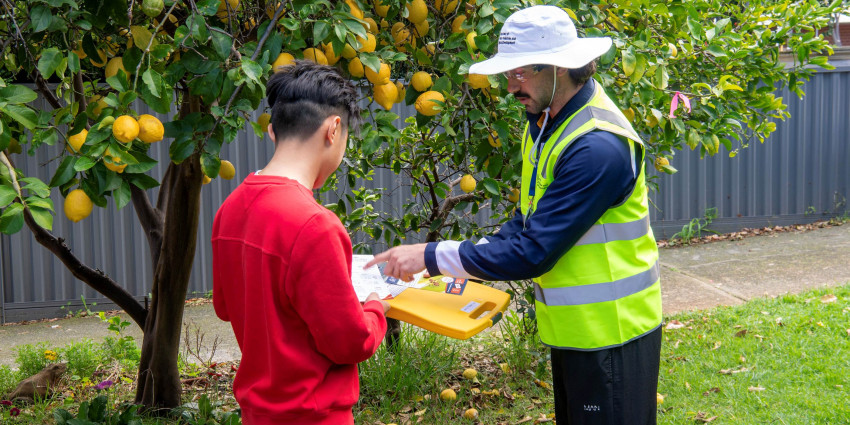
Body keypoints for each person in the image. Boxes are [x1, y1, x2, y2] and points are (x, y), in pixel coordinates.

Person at [367, 5, 662, 424]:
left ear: (558, 67)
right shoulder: (545, 121)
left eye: (519, 73)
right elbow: (526, 223)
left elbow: (533, 250)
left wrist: (432, 257)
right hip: (577, 333)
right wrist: (449, 260)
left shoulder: (597, 147)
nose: (510, 86)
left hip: (612, 337)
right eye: (508, 74)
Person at [212, 60, 390, 425]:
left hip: (256, 413)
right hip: (313, 415)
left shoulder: (229, 209)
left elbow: (225, 307)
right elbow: (349, 343)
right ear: (333, 129)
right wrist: (374, 310)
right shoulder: (315, 225)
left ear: (274, 131)